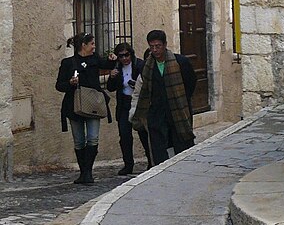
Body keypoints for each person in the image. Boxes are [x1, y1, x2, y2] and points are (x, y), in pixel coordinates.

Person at [130, 30, 197, 166]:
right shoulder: (147, 66)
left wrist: (180, 100)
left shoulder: (180, 62)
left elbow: (190, 83)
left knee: (181, 143)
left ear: (165, 45)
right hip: (156, 112)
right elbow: (145, 89)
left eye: (158, 46)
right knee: (158, 147)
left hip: (178, 110)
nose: (155, 50)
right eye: (152, 46)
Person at [55, 33, 114, 184]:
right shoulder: (68, 63)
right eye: (92, 44)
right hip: (74, 105)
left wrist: (112, 60)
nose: (94, 47)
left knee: (93, 138)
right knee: (79, 140)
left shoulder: (95, 59)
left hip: (93, 104)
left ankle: (88, 172)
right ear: (83, 45)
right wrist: (70, 83)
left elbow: (107, 65)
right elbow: (59, 86)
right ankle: (83, 172)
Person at [106, 42, 150, 175]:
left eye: (127, 55)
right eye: (121, 56)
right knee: (125, 136)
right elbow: (110, 87)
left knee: (143, 134)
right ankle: (128, 164)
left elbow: (147, 84)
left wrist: (136, 85)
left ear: (131, 54)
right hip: (124, 104)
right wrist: (112, 77)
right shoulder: (117, 67)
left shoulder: (140, 65)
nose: (124, 58)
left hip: (139, 103)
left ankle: (151, 161)